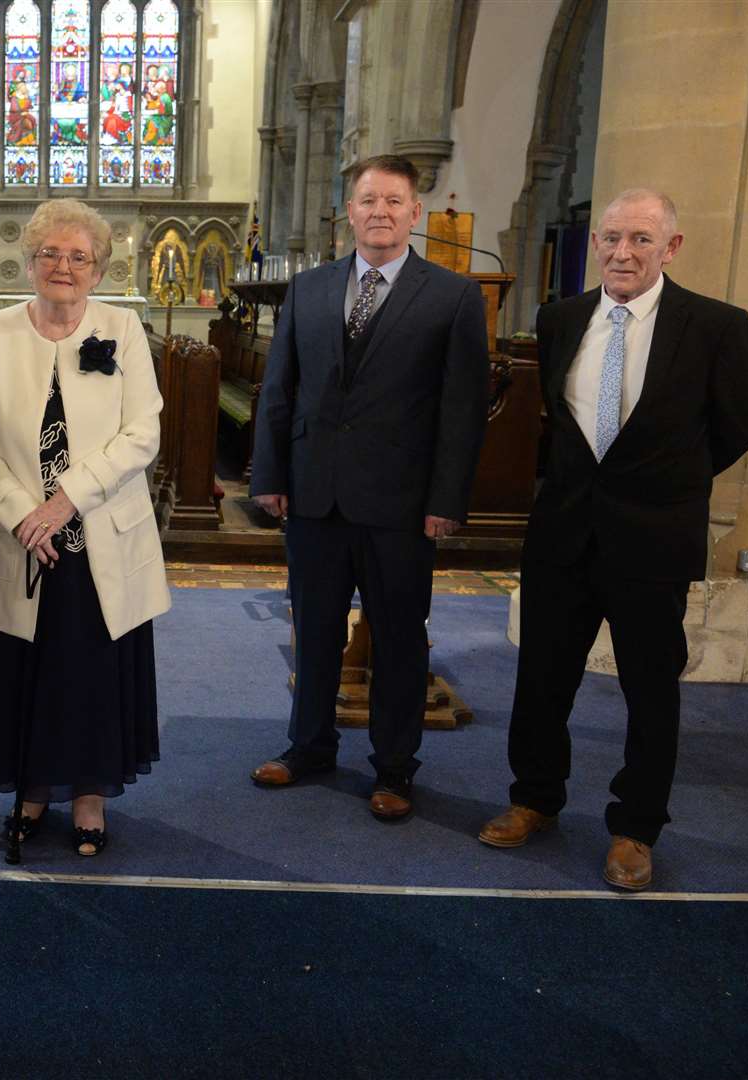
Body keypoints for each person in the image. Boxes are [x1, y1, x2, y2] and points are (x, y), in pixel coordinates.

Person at [478, 189, 748, 890]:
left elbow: (737, 428)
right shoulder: (560, 319)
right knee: (542, 681)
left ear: (672, 247)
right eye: (610, 238)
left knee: (649, 690)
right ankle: (534, 799)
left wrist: (665, 485)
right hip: (563, 535)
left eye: (640, 239)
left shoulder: (717, 327)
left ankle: (636, 827)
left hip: (652, 539)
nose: (622, 252)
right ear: (595, 244)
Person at [249, 154, 490, 821]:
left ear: (415, 212)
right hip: (314, 495)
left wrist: (447, 500)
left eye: (392, 201)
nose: (379, 212)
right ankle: (309, 745)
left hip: (403, 504)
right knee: (317, 630)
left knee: (398, 636)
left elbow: (462, 412)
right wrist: (269, 474)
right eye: (366, 200)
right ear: (347, 212)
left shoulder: (452, 296)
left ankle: (394, 767)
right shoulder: (311, 288)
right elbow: (280, 387)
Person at [0, 199, 169, 856]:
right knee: (27, 665)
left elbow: (143, 433)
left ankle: (88, 795)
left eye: (79, 257)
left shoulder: (121, 330)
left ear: (99, 269)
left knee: (93, 670)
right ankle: (31, 788)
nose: (63, 267)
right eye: (50, 253)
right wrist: (25, 512)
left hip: (98, 531)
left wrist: (67, 499)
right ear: (30, 262)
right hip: (23, 535)